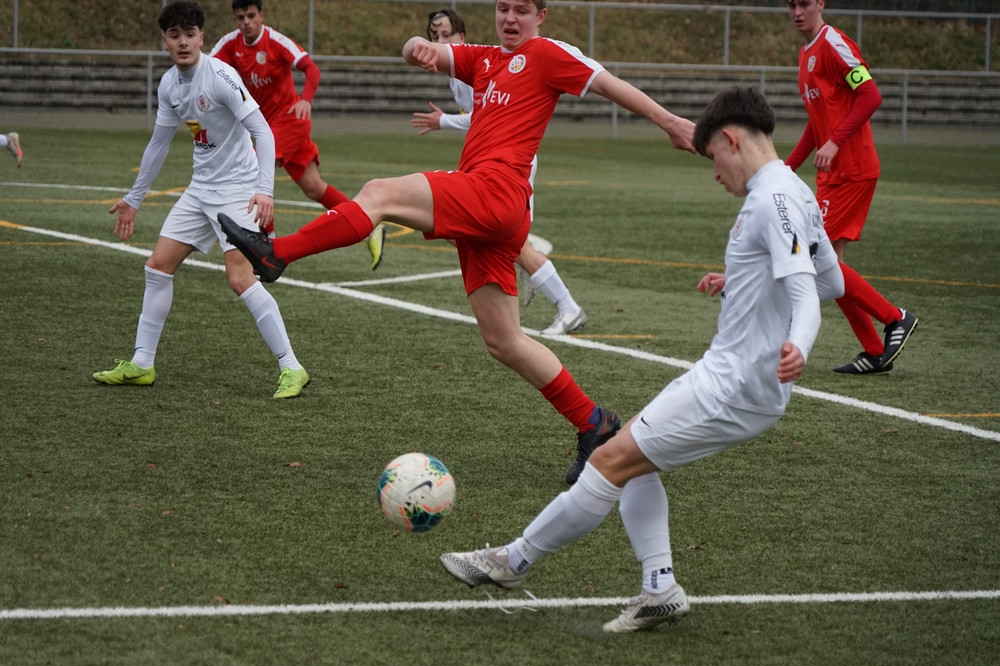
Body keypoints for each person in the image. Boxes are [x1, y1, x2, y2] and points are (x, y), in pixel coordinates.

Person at [219, 0, 695, 483]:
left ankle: (276, 254)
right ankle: (596, 424)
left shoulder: (549, 53)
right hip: (491, 211)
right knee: (505, 341)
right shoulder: (483, 57)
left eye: (522, 10)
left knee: (379, 193)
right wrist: (417, 48)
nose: (510, 18)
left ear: (541, 16)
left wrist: (673, 123)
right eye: (503, 8)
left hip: (497, 192)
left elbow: (609, 84)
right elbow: (416, 51)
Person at [439, 86, 845, 633]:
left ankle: (512, 561)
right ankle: (659, 587)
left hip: (733, 383)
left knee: (608, 460)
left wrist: (799, 344)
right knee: (631, 458)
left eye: (713, 158)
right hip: (739, 381)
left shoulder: (771, 199)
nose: (715, 173)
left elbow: (805, 295)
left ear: (731, 140)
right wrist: (743, 280)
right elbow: (831, 281)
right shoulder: (795, 191)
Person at [93, 0, 309, 400]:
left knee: (240, 279)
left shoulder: (221, 76)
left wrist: (265, 190)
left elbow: (263, 132)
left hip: (238, 190)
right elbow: (158, 145)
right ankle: (142, 364)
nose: (183, 43)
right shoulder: (169, 85)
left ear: (201, 38)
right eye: (174, 35)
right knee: (158, 267)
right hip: (201, 188)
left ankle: (292, 367)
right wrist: (133, 199)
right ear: (164, 41)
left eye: (189, 35)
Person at [411, 8, 587, 336]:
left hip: (511, 166)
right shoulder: (457, 75)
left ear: (462, 38)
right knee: (467, 231)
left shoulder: (480, 64)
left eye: (447, 35)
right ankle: (547, 296)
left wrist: (443, 121)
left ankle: (568, 307)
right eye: (434, 36)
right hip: (489, 164)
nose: (440, 42)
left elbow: (482, 115)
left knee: (508, 243)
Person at [785, 0, 917, 375]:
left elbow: (870, 95)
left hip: (852, 169)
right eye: (791, 5)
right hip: (833, 173)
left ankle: (895, 318)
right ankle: (875, 350)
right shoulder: (805, 54)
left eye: (804, 3)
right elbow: (818, 121)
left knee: (819, 259)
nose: (797, 11)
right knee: (831, 267)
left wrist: (835, 141)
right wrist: (787, 167)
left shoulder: (833, 43)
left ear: (820, 3)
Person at [210, 0, 386, 271]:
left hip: (291, 121)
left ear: (261, 16)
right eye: (241, 17)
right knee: (314, 187)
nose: (246, 22)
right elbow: (207, 69)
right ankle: (370, 222)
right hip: (268, 126)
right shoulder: (230, 44)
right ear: (235, 20)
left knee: (256, 166)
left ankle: (268, 246)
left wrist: (306, 99)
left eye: (251, 15)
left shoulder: (276, 41)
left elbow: (311, 69)